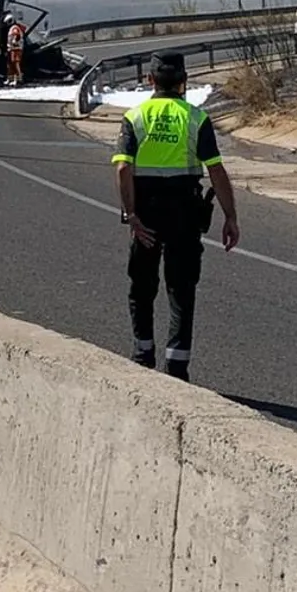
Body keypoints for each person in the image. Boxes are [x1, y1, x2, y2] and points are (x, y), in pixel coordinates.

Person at [111, 51, 240, 381]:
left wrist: (131, 215)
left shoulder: (135, 117)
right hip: (184, 211)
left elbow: (124, 167)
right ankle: (177, 367)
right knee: (181, 289)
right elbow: (216, 171)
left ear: (150, 80)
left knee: (142, 286)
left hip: (148, 212)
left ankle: (143, 356)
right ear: (184, 82)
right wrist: (230, 216)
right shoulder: (196, 118)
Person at [3, 13, 26, 86]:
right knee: (10, 64)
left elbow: (16, 35)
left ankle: (18, 79)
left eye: (8, 22)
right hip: (11, 49)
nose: (7, 23)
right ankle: (10, 79)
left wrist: (14, 41)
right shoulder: (12, 28)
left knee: (15, 64)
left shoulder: (14, 28)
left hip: (16, 49)